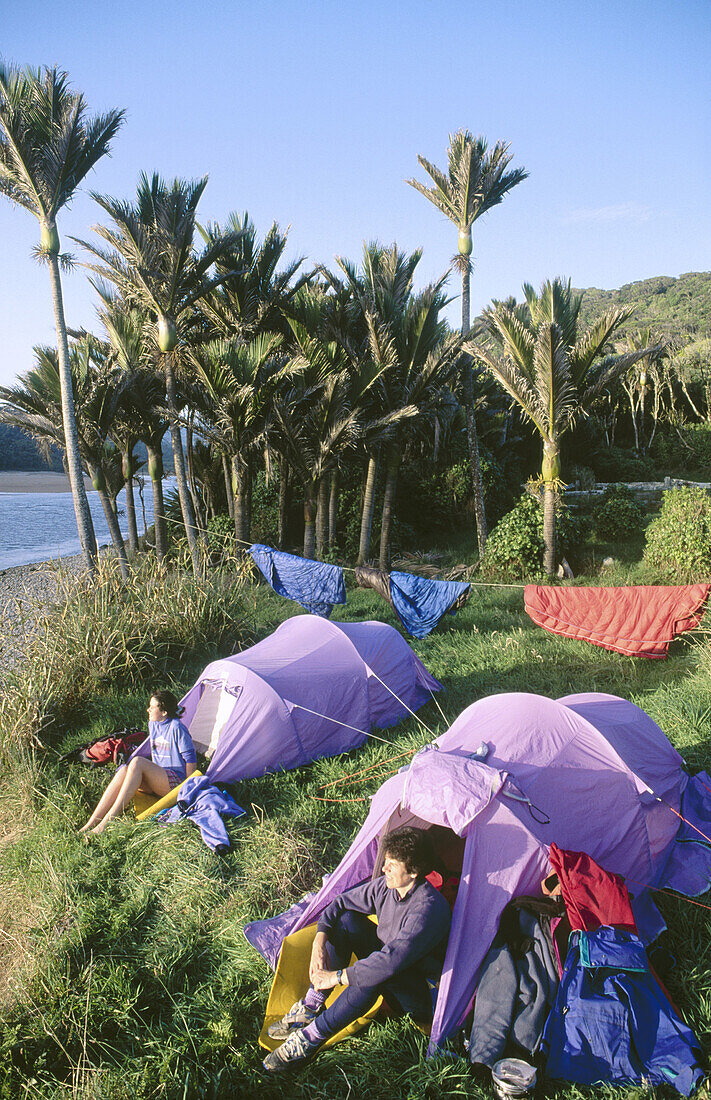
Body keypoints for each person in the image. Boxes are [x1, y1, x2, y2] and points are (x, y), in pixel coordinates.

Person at [262, 826, 451, 1073]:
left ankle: (310, 1038)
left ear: (413, 872)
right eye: (385, 862)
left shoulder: (426, 910)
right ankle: (310, 1007)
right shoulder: (387, 886)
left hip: (423, 995)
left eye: (391, 865)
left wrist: (336, 977)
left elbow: (388, 963)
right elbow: (339, 903)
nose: (383, 869)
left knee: (374, 973)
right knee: (347, 921)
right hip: (392, 964)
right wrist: (318, 944)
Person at [78, 690, 197, 836]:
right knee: (123, 770)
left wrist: (189, 790)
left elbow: (191, 759)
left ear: (164, 712)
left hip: (175, 783)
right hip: (159, 779)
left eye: (152, 707)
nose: (148, 709)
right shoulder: (153, 724)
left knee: (138, 762)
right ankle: (91, 822)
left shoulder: (177, 728)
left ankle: (106, 822)